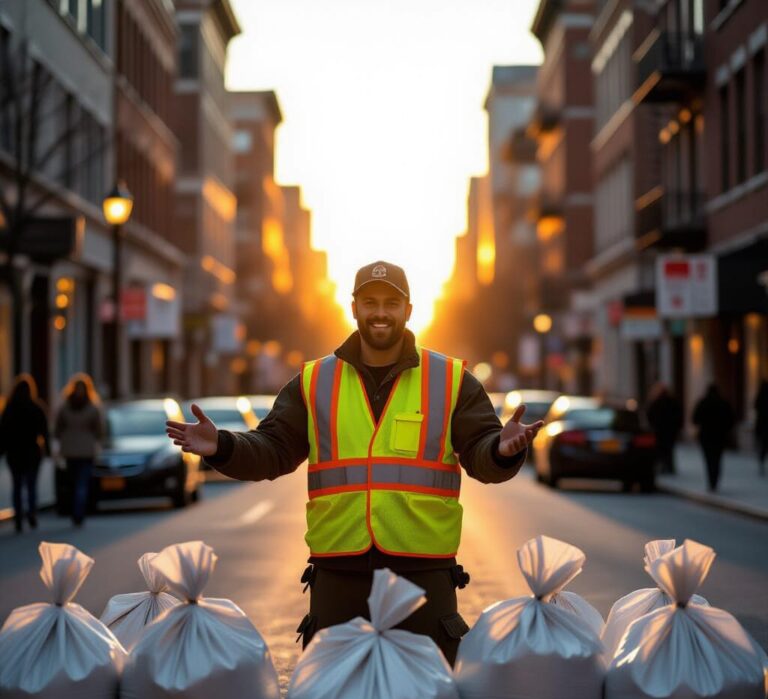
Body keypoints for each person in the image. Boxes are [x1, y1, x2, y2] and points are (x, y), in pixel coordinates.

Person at [166, 261, 543, 665]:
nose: (380, 312)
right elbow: (272, 449)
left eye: (390, 304)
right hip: (338, 573)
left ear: (409, 311)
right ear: (354, 307)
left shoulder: (450, 379)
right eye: (370, 302)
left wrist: (503, 451)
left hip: (423, 575)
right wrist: (222, 445)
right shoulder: (314, 381)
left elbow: (480, 454)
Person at [0, 374, 49, 533]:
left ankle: (19, 519)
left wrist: (2, 451)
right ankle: (32, 513)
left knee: (17, 486)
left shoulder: (9, 408)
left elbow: (3, 432)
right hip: (32, 453)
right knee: (31, 485)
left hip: (14, 453)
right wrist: (47, 450)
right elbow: (44, 431)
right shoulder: (36, 407)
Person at [54, 373, 104, 526]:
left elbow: (57, 429)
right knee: (82, 484)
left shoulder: (65, 407)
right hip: (86, 450)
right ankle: (79, 513)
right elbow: (99, 430)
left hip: (70, 451)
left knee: (73, 482)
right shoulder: (92, 408)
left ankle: (75, 511)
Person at [692, 383, 735, 492]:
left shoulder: (703, 402)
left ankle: (711, 481)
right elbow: (731, 419)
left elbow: (695, 419)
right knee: (717, 459)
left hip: (706, 436)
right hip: (719, 436)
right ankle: (715, 480)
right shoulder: (723, 403)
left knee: (708, 459)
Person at [645, 382, 683, 474]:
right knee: (669, 449)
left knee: (661, 449)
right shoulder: (672, 402)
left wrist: (653, 426)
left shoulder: (656, 402)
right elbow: (679, 415)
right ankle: (669, 467)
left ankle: (664, 466)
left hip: (660, 430)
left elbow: (650, 415)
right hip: (670, 430)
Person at [754, 379, 768, 476]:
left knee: (763, 446)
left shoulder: (760, 397)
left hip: (762, 426)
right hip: (763, 426)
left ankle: (761, 462)